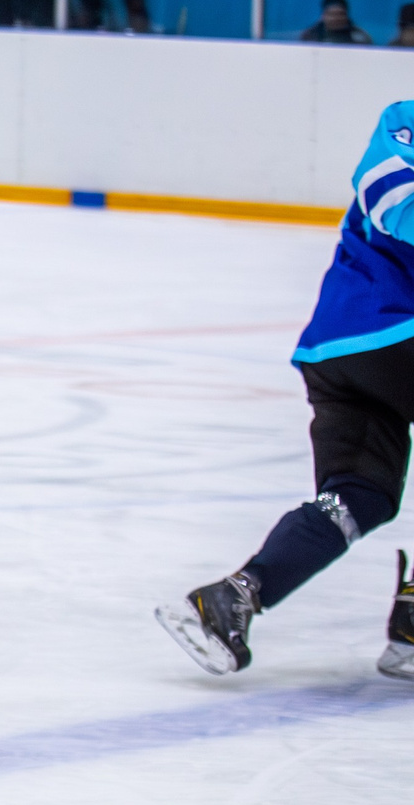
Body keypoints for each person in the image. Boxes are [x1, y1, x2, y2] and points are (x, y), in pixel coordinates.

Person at [158, 100, 414, 681]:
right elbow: (390, 196)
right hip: (387, 328)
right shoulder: (408, 118)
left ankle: (234, 598)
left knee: (360, 495)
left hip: (342, 350)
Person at [302, 0, 373, 44]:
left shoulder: (361, 38)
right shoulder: (309, 36)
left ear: (347, 16)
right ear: (323, 16)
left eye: (341, 14)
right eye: (331, 14)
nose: (336, 18)